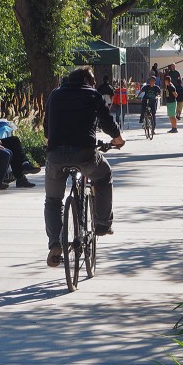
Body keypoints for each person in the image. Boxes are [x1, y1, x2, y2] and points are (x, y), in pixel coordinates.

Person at [43, 67, 125, 267]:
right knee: (104, 176)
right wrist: (117, 139)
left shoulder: (55, 95)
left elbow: (46, 128)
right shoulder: (92, 94)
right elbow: (107, 121)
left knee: (53, 200)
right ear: (88, 80)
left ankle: (55, 243)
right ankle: (102, 223)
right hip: (85, 154)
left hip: (56, 155)